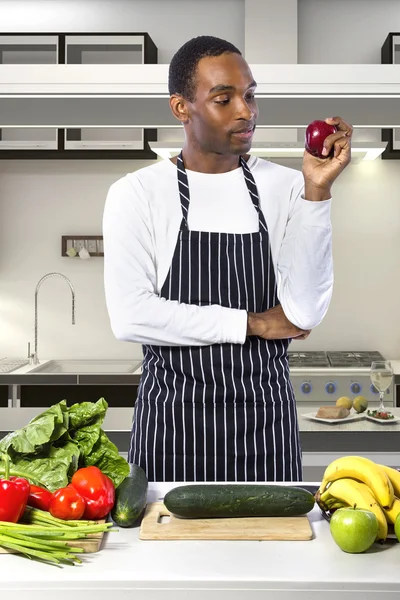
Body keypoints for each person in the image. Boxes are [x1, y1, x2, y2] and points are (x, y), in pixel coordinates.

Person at [103, 35, 352, 483]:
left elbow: (304, 312)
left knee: (273, 548)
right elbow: (131, 316)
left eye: (250, 95)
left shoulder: (287, 186)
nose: (247, 111)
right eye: (225, 98)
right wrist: (252, 323)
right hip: (171, 428)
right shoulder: (136, 194)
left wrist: (318, 191)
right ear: (181, 108)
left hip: (266, 427)